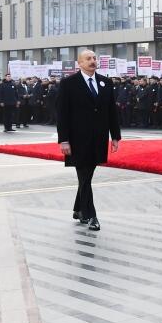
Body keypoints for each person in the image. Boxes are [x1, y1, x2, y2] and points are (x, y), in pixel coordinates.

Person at [57, 49, 121, 232]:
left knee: (86, 176)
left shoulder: (105, 83)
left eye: (94, 58)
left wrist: (115, 135)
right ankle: (91, 215)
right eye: (88, 59)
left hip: (98, 139)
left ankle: (78, 209)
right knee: (84, 175)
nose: (93, 61)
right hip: (77, 140)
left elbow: (111, 111)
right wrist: (64, 140)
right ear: (80, 63)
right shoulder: (68, 84)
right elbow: (62, 114)